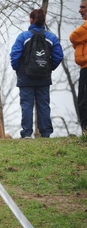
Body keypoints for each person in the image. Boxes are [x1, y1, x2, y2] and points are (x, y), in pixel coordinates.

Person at [10, 9, 63, 138]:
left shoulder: (23, 37)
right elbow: (58, 56)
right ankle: (46, 133)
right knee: (43, 105)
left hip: (25, 78)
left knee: (26, 105)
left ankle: (27, 133)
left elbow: (14, 56)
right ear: (44, 21)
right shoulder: (51, 38)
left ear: (31, 20)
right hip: (43, 78)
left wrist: (19, 70)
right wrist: (48, 68)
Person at [70, 0, 87, 134]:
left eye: (83, 7)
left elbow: (74, 36)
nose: (80, 10)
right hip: (84, 67)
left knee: (83, 101)